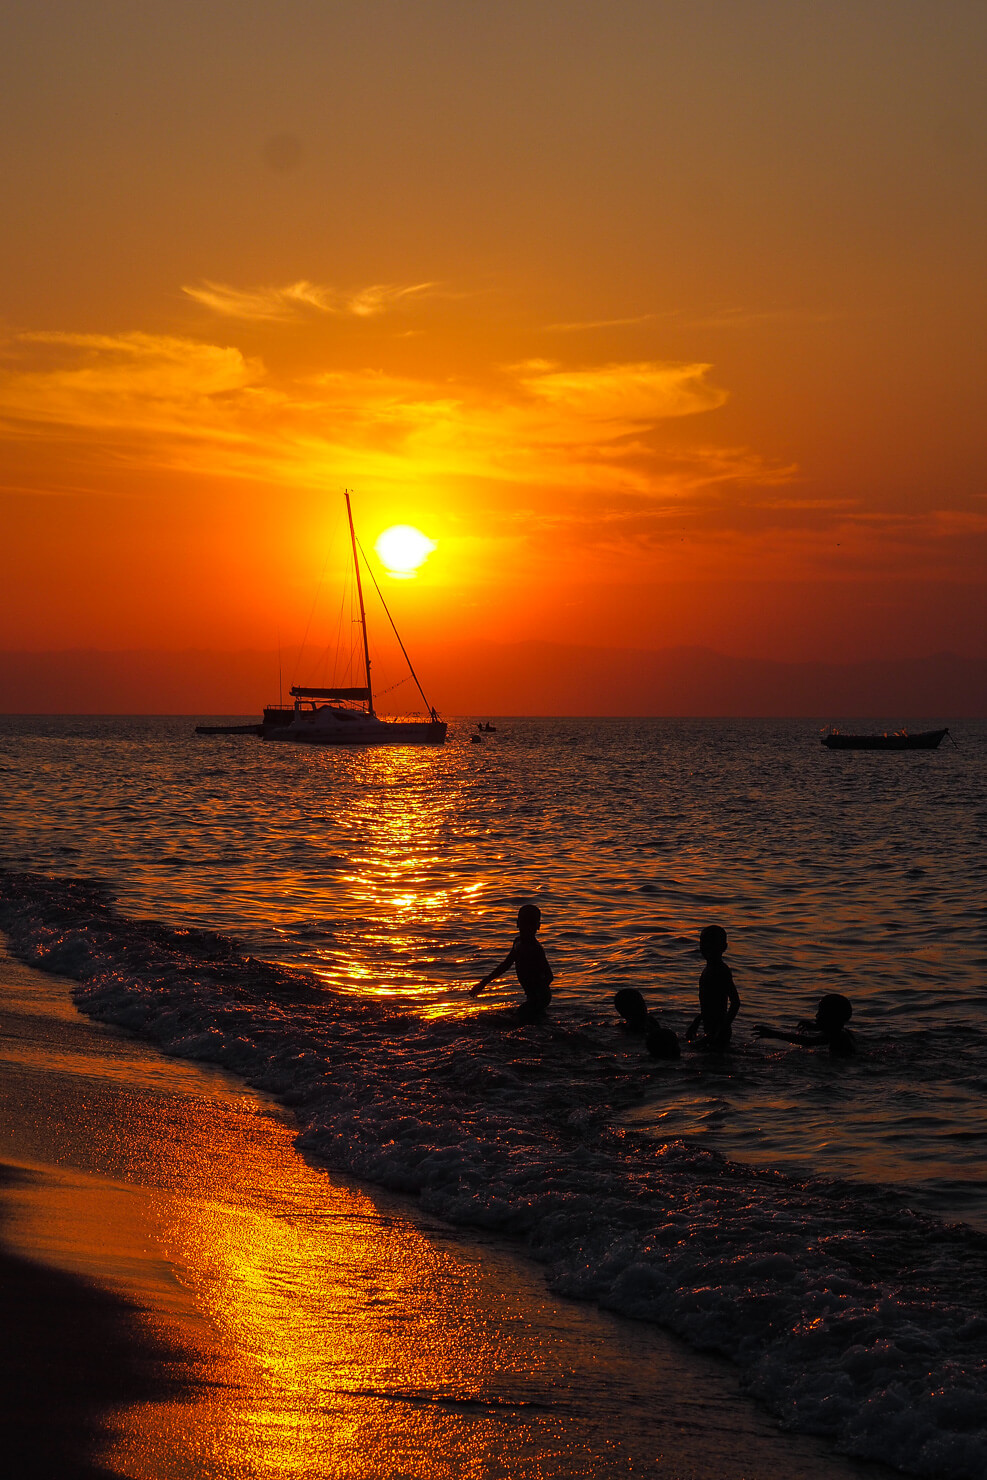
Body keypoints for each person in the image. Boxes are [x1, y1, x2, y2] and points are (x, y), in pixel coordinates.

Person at [471, 903, 554, 1022]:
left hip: (540, 997)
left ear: (538, 926)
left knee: (519, 1018)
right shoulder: (518, 943)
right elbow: (505, 965)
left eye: (531, 923)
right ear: (517, 924)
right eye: (525, 923)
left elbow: (549, 976)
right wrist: (483, 983)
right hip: (533, 996)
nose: (528, 928)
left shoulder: (536, 949)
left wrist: (536, 993)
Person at [685, 924, 740, 1051]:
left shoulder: (721, 970)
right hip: (710, 1027)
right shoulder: (708, 969)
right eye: (704, 943)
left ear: (724, 947)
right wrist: (696, 1022)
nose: (708, 947)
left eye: (713, 944)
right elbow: (710, 1004)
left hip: (718, 1030)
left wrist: (722, 1029)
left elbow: (735, 1002)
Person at [754, 994, 856, 1057]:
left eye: (821, 1012)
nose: (816, 1016)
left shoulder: (838, 1036)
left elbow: (808, 1042)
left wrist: (774, 1034)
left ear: (832, 1016)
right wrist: (814, 1026)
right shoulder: (842, 1032)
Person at [613, 988, 680, 1058]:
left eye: (642, 1003)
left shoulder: (650, 1021)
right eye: (637, 1005)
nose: (643, 1007)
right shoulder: (635, 1027)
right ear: (623, 1012)